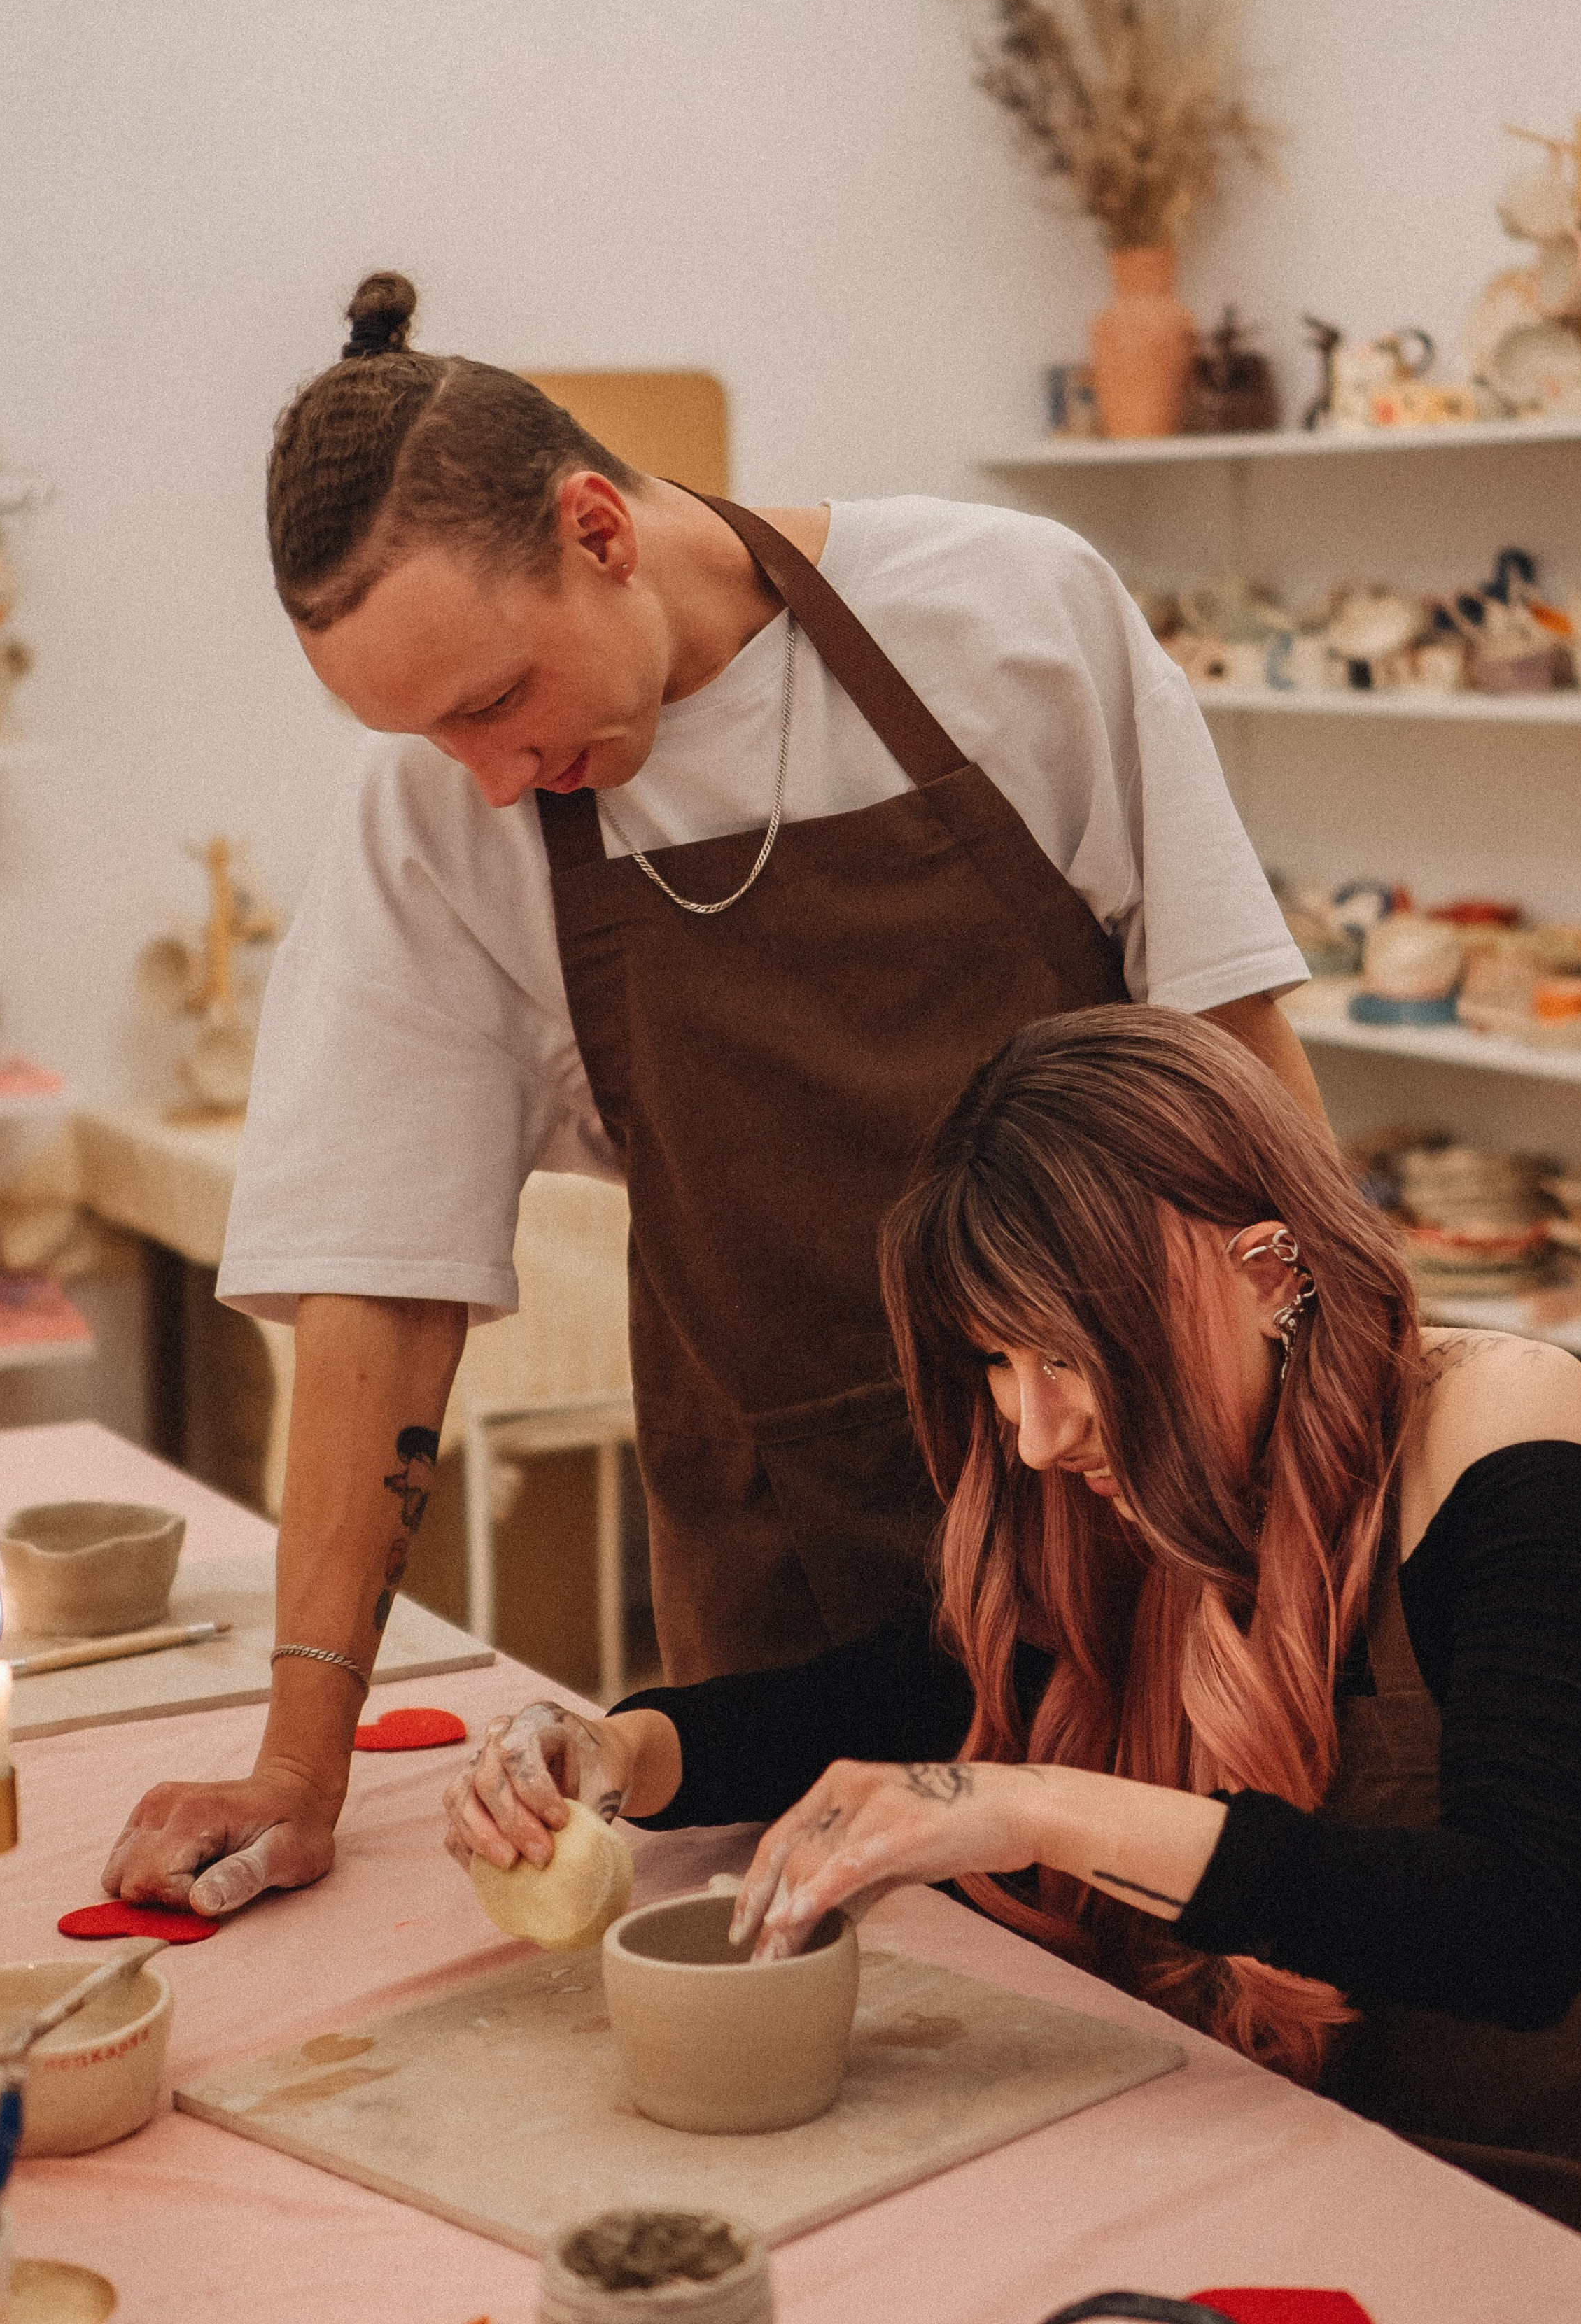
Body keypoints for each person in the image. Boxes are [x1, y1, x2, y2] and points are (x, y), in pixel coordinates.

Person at [104, 272, 1318, 1921]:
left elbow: (1239, 1074)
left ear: (597, 529)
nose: (485, 778)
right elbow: (378, 1286)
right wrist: (296, 1767)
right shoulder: (438, 823)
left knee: (1216, 1994)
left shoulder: (1006, 617)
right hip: (794, 1585)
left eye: (494, 704)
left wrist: (1357, 1486)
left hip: (1149, 1512)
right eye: (429, 738)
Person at [445, 1008, 1581, 2294]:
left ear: (1269, 1270)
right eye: (999, 1361)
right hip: (1283, 2163)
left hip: (1567, 2222)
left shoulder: (1502, 1432)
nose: (1034, 1432)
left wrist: (1032, 1807)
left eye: (1068, 1355)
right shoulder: (1133, 1473)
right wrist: (615, 1749)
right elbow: (887, 1697)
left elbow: (1517, 1926)